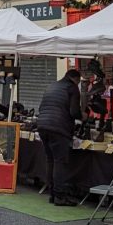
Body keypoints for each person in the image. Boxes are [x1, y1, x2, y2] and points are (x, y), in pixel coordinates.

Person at [37, 67, 82, 205]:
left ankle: (52, 194)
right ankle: (60, 196)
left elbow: (41, 107)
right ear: (75, 79)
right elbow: (74, 112)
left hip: (42, 125)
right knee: (60, 162)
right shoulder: (72, 88)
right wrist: (83, 116)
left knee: (50, 160)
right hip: (58, 128)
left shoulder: (52, 85)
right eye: (79, 82)